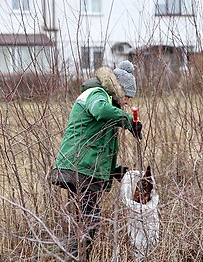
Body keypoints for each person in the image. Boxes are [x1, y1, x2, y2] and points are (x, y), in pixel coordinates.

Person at [51, 60, 142, 260]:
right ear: (117, 88)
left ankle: (71, 256)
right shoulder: (96, 94)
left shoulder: (107, 103)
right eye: (126, 96)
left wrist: (115, 170)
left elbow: (100, 149)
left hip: (81, 168)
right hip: (79, 169)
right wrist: (127, 120)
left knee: (84, 226)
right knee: (90, 224)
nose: (126, 102)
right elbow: (99, 110)